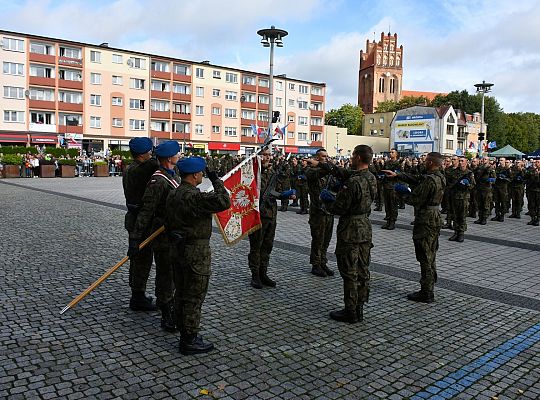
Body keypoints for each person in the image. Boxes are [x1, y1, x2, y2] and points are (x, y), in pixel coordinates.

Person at [165, 156, 230, 355]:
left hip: (177, 249)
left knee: (181, 292)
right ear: (195, 175)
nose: (202, 175)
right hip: (196, 252)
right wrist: (216, 180)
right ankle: (189, 339)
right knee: (194, 296)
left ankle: (183, 329)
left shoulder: (174, 194)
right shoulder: (195, 197)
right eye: (201, 172)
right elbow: (224, 201)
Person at [130, 141, 181, 332]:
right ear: (169, 158)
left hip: (172, 234)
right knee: (165, 275)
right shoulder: (158, 181)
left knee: (172, 274)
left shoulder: (172, 175)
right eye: (177, 153)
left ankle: (167, 304)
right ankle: (166, 314)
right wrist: (135, 239)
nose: (179, 155)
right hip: (161, 236)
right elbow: (146, 211)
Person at [322, 145, 377, 323]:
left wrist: (328, 201)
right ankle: (360, 306)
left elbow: (340, 207)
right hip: (365, 227)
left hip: (350, 229)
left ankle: (350, 310)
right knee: (362, 269)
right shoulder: (371, 178)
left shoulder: (353, 182)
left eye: (353, 155)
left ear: (359, 158)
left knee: (349, 271)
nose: (351, 158)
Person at [383, 152, 446, 303]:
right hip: (434, 216)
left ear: (430, 162)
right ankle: (429, 285)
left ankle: (427, 291)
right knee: (430, 253)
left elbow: (415, 199)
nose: (424, 162)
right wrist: (398, 175)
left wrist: (401, 194)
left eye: (426, 161)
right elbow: (418, 178)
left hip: (426, 219)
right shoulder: (439, 177)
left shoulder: (430, 180)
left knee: (425, 255)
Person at [248, 148, 296, 289]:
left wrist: (284, 195)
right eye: (265, 155)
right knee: (256, 246)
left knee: (267, 246)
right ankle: (255, 275)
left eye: (269, 155)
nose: (268, 158)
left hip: (271, 215)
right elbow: (254, 191)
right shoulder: (252, 173)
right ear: (258, 156)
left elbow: (277, 191)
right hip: (257, 216)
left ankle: (263, 273)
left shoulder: (272, 173)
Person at [123, 137, 159, 311]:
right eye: (150, 151)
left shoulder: (130, 168)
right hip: (142, 222)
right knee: (142, 260)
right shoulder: (144, 169)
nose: (152, 153)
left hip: (134, 219)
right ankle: (137, 297)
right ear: (144, 153)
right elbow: (154, 165)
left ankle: (137, 294)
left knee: (138, 259)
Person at [306, 149, 335, 277]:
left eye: (327, 156)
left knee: (326, 239)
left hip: (328, 210)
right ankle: (316, 264)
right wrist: (326, 166)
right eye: (323, 156)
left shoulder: (328, 172)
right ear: (317, 158)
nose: (326, 158)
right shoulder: (310, 170)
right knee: (318, 238)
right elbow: (319, 174)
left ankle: (323, 261)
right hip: (317, 211)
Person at [448, 156, 475, 242]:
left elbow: (473, 185)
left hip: (464, 197)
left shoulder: (469, 173)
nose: (460, 162)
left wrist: (466, 185)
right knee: (455, 215)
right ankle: (456, 232)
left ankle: (461, 233)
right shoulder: (454, 172)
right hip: (455, 196)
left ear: (466, 162)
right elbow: (450, 183)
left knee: (462, 216)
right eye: (459, 161)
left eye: (462, 161)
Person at [381, 148, 401, 230]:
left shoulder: (398, 164)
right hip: (386, 185)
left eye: (392, 152)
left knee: (393, 205)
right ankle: (388, 220)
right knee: (387, 204)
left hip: (393, 186)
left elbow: (399, 174)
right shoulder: (387, 162)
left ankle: (392, 222)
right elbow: (382, 171)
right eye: (390, 152)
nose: (390, 153)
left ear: (396, 154)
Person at [492, 157, 511, 222]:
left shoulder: (507, 169)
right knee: (496, 202)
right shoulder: (497, 168)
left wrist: (504, 178)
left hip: (503, 188)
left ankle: (502, 215)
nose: (500, 161)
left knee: (503, 202)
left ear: (505, 161)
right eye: (499, 160)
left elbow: (510, 179)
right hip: (496, 187)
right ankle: (497, 215)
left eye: (502, 160)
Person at [525, 159, 540, 226]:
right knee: (531, 205)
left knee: (538, 206)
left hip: (538, 191)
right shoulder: (532, 170)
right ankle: (533, 218)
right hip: (531, 190)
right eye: (535, 162)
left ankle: (538, 219)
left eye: (538, 162)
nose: (536, 163)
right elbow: (526, 178)